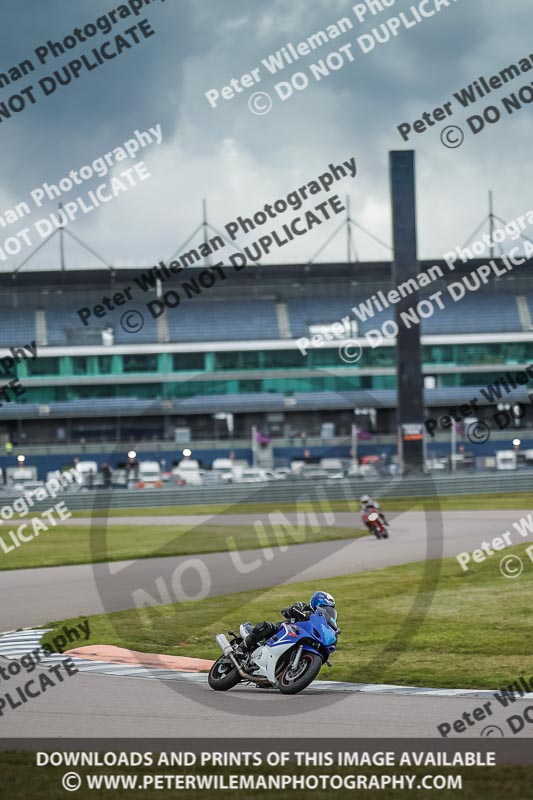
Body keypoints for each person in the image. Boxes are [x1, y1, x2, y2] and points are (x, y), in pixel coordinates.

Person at [243, 591, 337, 652]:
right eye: (322, 605)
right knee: (266, 626)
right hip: (283, 632)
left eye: (328, 608)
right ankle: (241, 648)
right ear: (315, 602)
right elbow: (284, 611)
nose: (324, 609)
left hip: (301, 639)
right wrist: (296, 611)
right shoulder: (303, 607)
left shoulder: (321, 622)